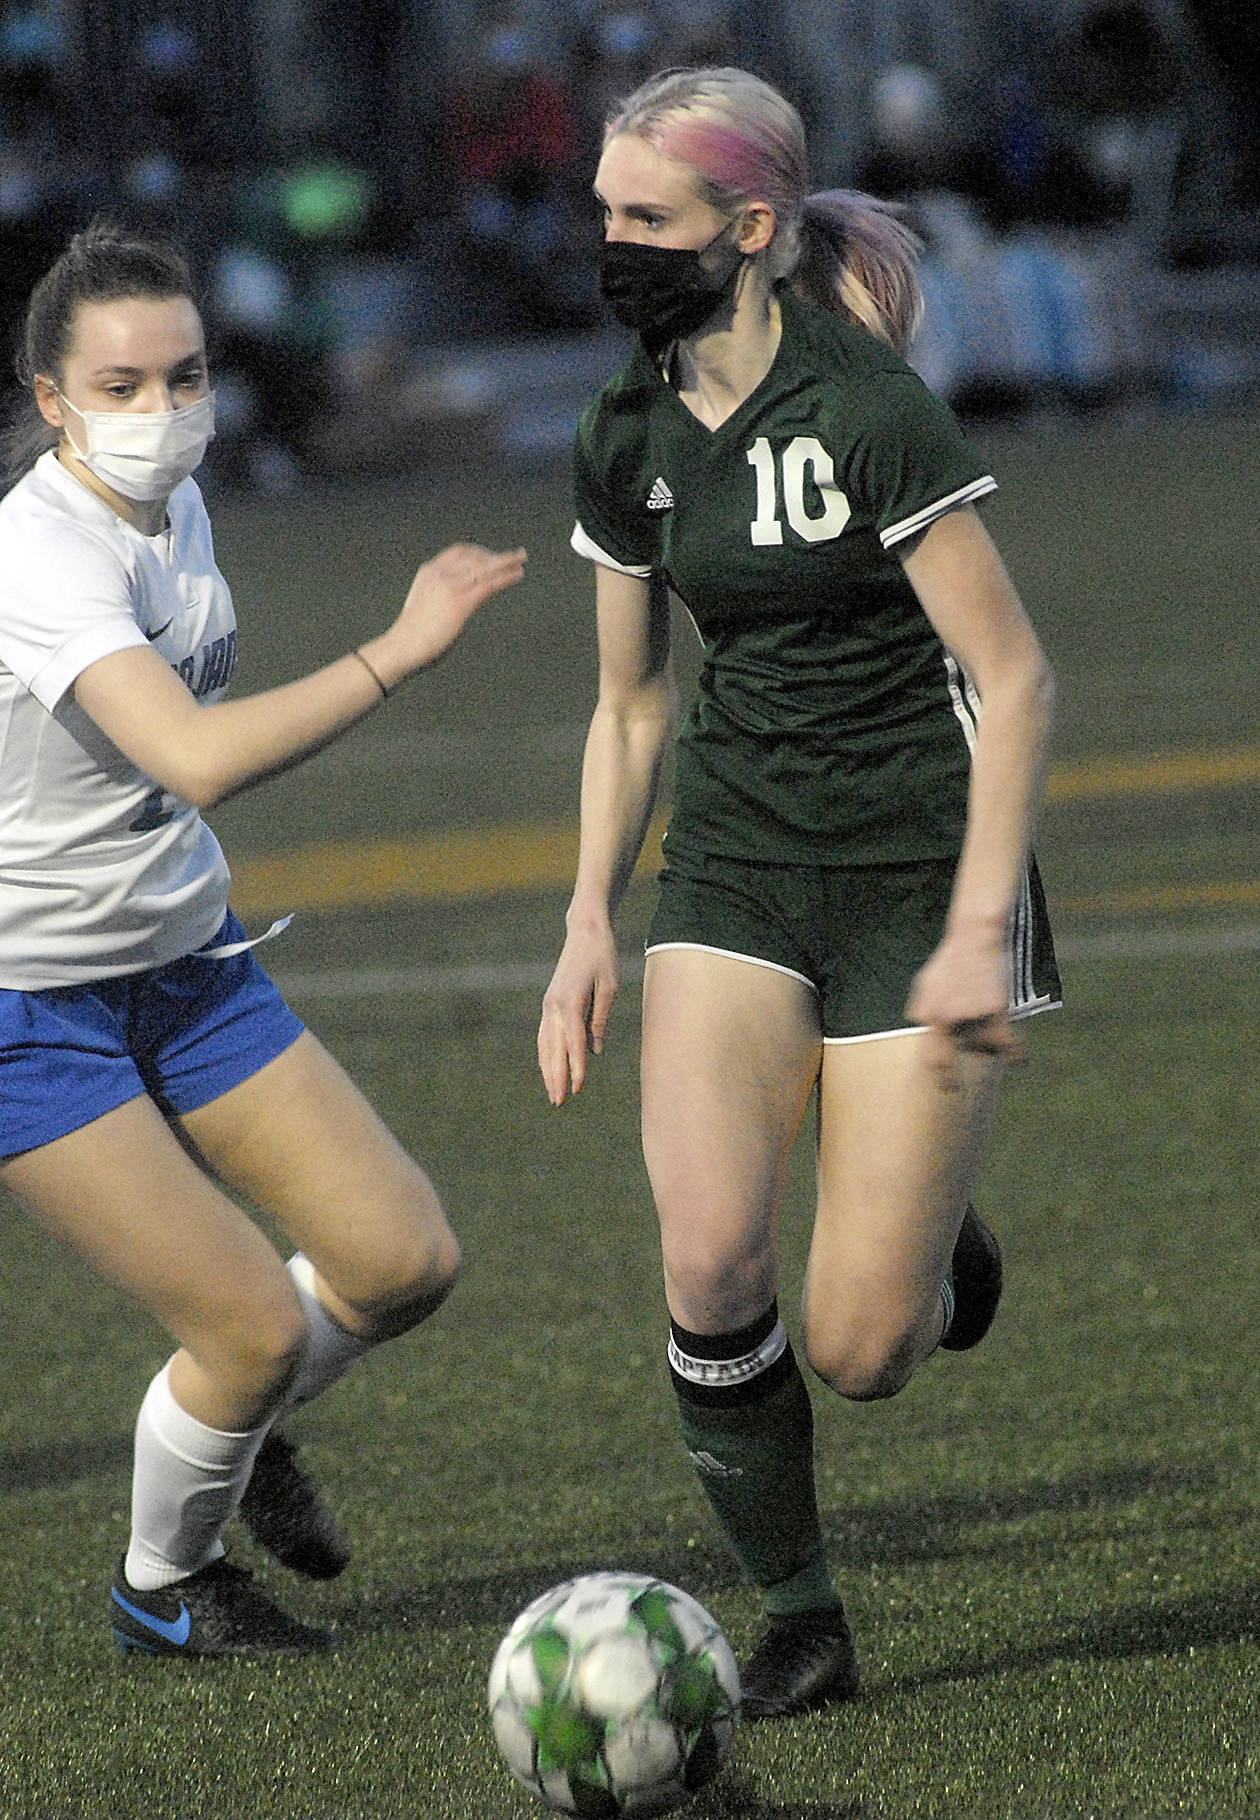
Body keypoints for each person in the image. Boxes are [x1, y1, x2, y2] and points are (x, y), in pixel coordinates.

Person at [537, 66, 1060, 1718]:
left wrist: (977, 931)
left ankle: (931, 1240)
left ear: (751, 228)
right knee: (709, 1266)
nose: (614, 244)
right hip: (737, 863)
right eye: (605, 212)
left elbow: (1016, 678)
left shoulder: (872, 411)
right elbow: (630, 706)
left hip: (918, 873)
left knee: (862, 1350)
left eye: (649, 217)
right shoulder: (623, 430)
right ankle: (801, 1618)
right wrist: (585, 923)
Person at [0, 219, 526, 1657]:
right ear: (50, 398)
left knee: (402, 1259)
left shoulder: (175, 505)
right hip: (31, 1009)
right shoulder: (38, 553)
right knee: (248, 1330)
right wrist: (397, 649)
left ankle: (235, 1422)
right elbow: (194, 756)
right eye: (119, 386)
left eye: (184, 377)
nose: (161, 411)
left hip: (189, 966)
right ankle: (164, 1587)